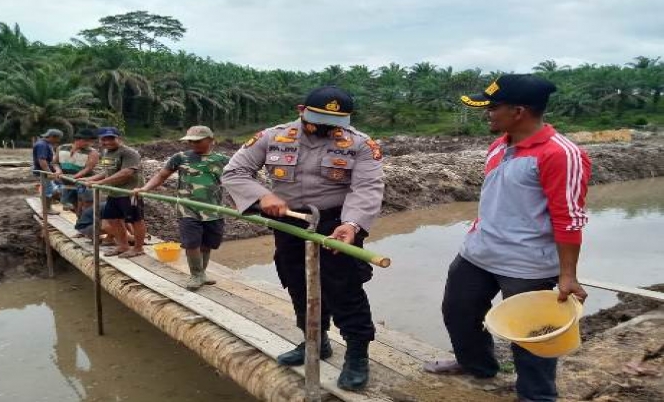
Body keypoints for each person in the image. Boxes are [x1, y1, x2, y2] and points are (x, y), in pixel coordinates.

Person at [424, 74, 591, 402]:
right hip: (479, 252)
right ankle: (477, 366)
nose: (487, 113)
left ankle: (536, 396)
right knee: (458, 311)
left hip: (527, 263)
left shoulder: (561, 154)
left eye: (493, 107)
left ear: (519, 112)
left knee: (531, 336)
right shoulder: (500, 144)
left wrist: (568, 274)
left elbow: (569, 219)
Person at [222, 86, 384, 391]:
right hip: (289, 223)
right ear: (300, 110)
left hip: (337, 224)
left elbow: (368, 187)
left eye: (333, 123)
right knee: (298, 283)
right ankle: (315, 340)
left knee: (344, 287)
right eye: (318, 120)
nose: (325, 128)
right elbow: (235, 172)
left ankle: (357, 353)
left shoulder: (361, 144)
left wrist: (352, 224)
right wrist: (264, 196)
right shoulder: (272, 137)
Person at [133, 125, 230, 291]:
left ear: (211, 140)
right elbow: (161, 175)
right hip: (188, 209)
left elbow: (238, 180)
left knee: (207, 243)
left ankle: (202, 273)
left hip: (214, 210)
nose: (193, 144)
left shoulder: (222, 160)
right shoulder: (180, 157)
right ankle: (195, 274)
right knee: (192, 243)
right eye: (191, 141)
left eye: (198, 141)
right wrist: (145, 189)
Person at [79, 127, 147, 259]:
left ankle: (138, 248)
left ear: (119, 138)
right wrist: (90, 179)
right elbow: (107, 172)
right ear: (100, 140)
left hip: (129, 193)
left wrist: (100, 183)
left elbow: (126, 173)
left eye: (111, 138)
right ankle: (123, 246)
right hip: (114, 193)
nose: (107, 142)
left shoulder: (129, 153)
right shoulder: (107, 153)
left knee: (136, 220)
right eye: (104, 139)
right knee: (112, 219)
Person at [54, 128, 100, 212]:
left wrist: (75, 177)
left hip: (84, 183)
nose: (89, 143)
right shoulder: (61, 148)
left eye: (90, 141)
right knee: (73, 204)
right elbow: (55, 163)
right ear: (77, 139)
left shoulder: (93, 152)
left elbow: (88, 168)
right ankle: (79, 221)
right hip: (67, 182)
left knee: (87, 205)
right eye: (86, 140)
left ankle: (87, 223)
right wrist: (58, 170)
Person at [32, 128, 64, 214]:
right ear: (53, 137)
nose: (58, 141)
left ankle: (49, 204)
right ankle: (47, 209)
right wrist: (49, 173)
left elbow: (51, 159)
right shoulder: (42, 145)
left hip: (46, 170)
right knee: (48, 190)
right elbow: (42, 161)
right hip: (43, 171)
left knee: (51, 187)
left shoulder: (46, 144)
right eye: (58, 139)